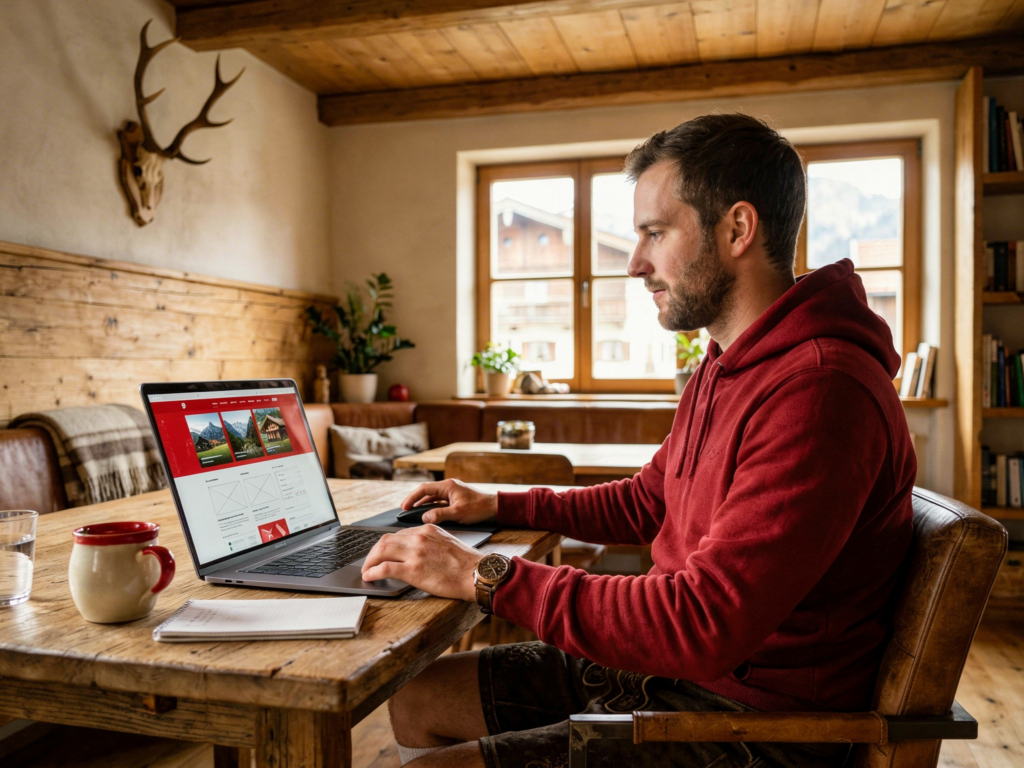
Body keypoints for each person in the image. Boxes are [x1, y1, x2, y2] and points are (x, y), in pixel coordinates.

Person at [360, 113, 916, 768]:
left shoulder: (819, 390)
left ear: (738, 229)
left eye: (655, 232)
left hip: (759, 723)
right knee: (417, 695)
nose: (635, 264)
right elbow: (648, 501)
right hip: (679, 675)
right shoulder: (728, 361)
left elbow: (702, 622)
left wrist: (483, 574)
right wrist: (499, 503)